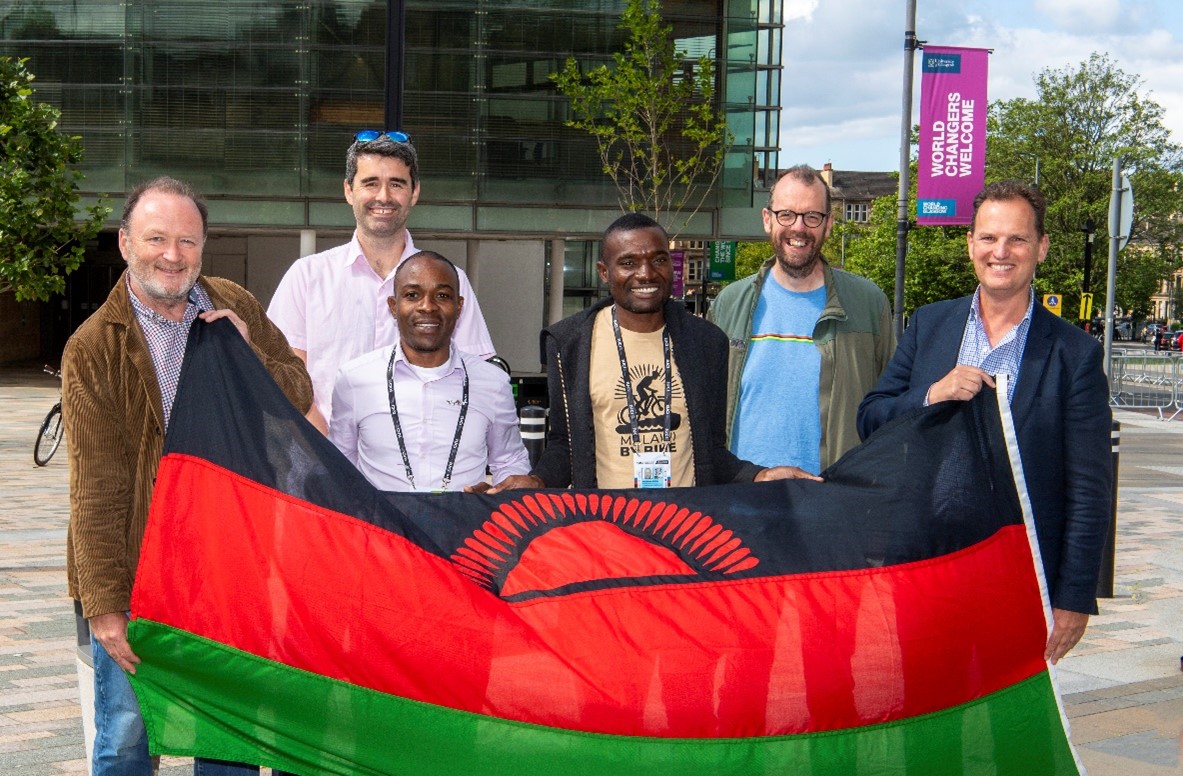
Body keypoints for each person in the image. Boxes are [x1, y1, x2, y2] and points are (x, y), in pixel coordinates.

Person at [61, 178, 313, 775]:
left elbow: (299, 393)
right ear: (125, 243)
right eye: (156, 238)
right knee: (126, 737)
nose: (172, 255)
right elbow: (94, 492)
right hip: (140, 575)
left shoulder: (233, 302)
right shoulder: (93, 348)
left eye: (187, 241)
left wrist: (251, 355)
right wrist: (105, 607)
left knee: (229, 739)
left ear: (203, 247)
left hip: (231, 570)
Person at [856, 180, 1112, 664]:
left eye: (1016, 239)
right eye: (989, 238)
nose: (1001, 251)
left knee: (1008, 730)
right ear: (970, 243)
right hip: (925, 567)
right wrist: (933, 394)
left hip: (1021, 577)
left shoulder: (1074, 355)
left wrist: (1074, 598)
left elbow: (1089, 490)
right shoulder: (930, 325)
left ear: (1041, 248)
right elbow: (871, 420)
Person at [489, 213, 818, 491]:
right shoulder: (569, 343)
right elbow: (564, 445)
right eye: (628, 262)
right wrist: (536, 480)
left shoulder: (707, 343)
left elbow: (712, 452)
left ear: (672, 266)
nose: (645, 274)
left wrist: (761, 475)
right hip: (606, 529)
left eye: (658, 260)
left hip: (686, 528)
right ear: (605, 272)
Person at [268, 131, 495, 433]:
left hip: (420, 468)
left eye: (397, 184)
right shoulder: (307, 277)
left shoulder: (451, 282)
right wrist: (322, 445)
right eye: (370, 183)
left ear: (414, 192)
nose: (383, 197)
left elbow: (475, 382)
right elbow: (281, 375)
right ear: (349, 190)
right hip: (322, 459)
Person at [709, 165, 895, 476]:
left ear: (829, 224)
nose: (799, 227)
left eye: (812, 216)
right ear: (768, 219)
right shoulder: (730, 303)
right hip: (744, 495)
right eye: (786, 215)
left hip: (834, 496)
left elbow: (891, 406)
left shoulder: (868, 303)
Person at [330, 251, 529, 492]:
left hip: (464, 525)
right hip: (381, 525)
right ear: (393, 306)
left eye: (442, 296)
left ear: (458, 307)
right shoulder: (354, 379)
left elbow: (510, 462)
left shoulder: (493, 382)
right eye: (412, 295)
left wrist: (497, 495)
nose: (427, 307)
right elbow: (340, 465)